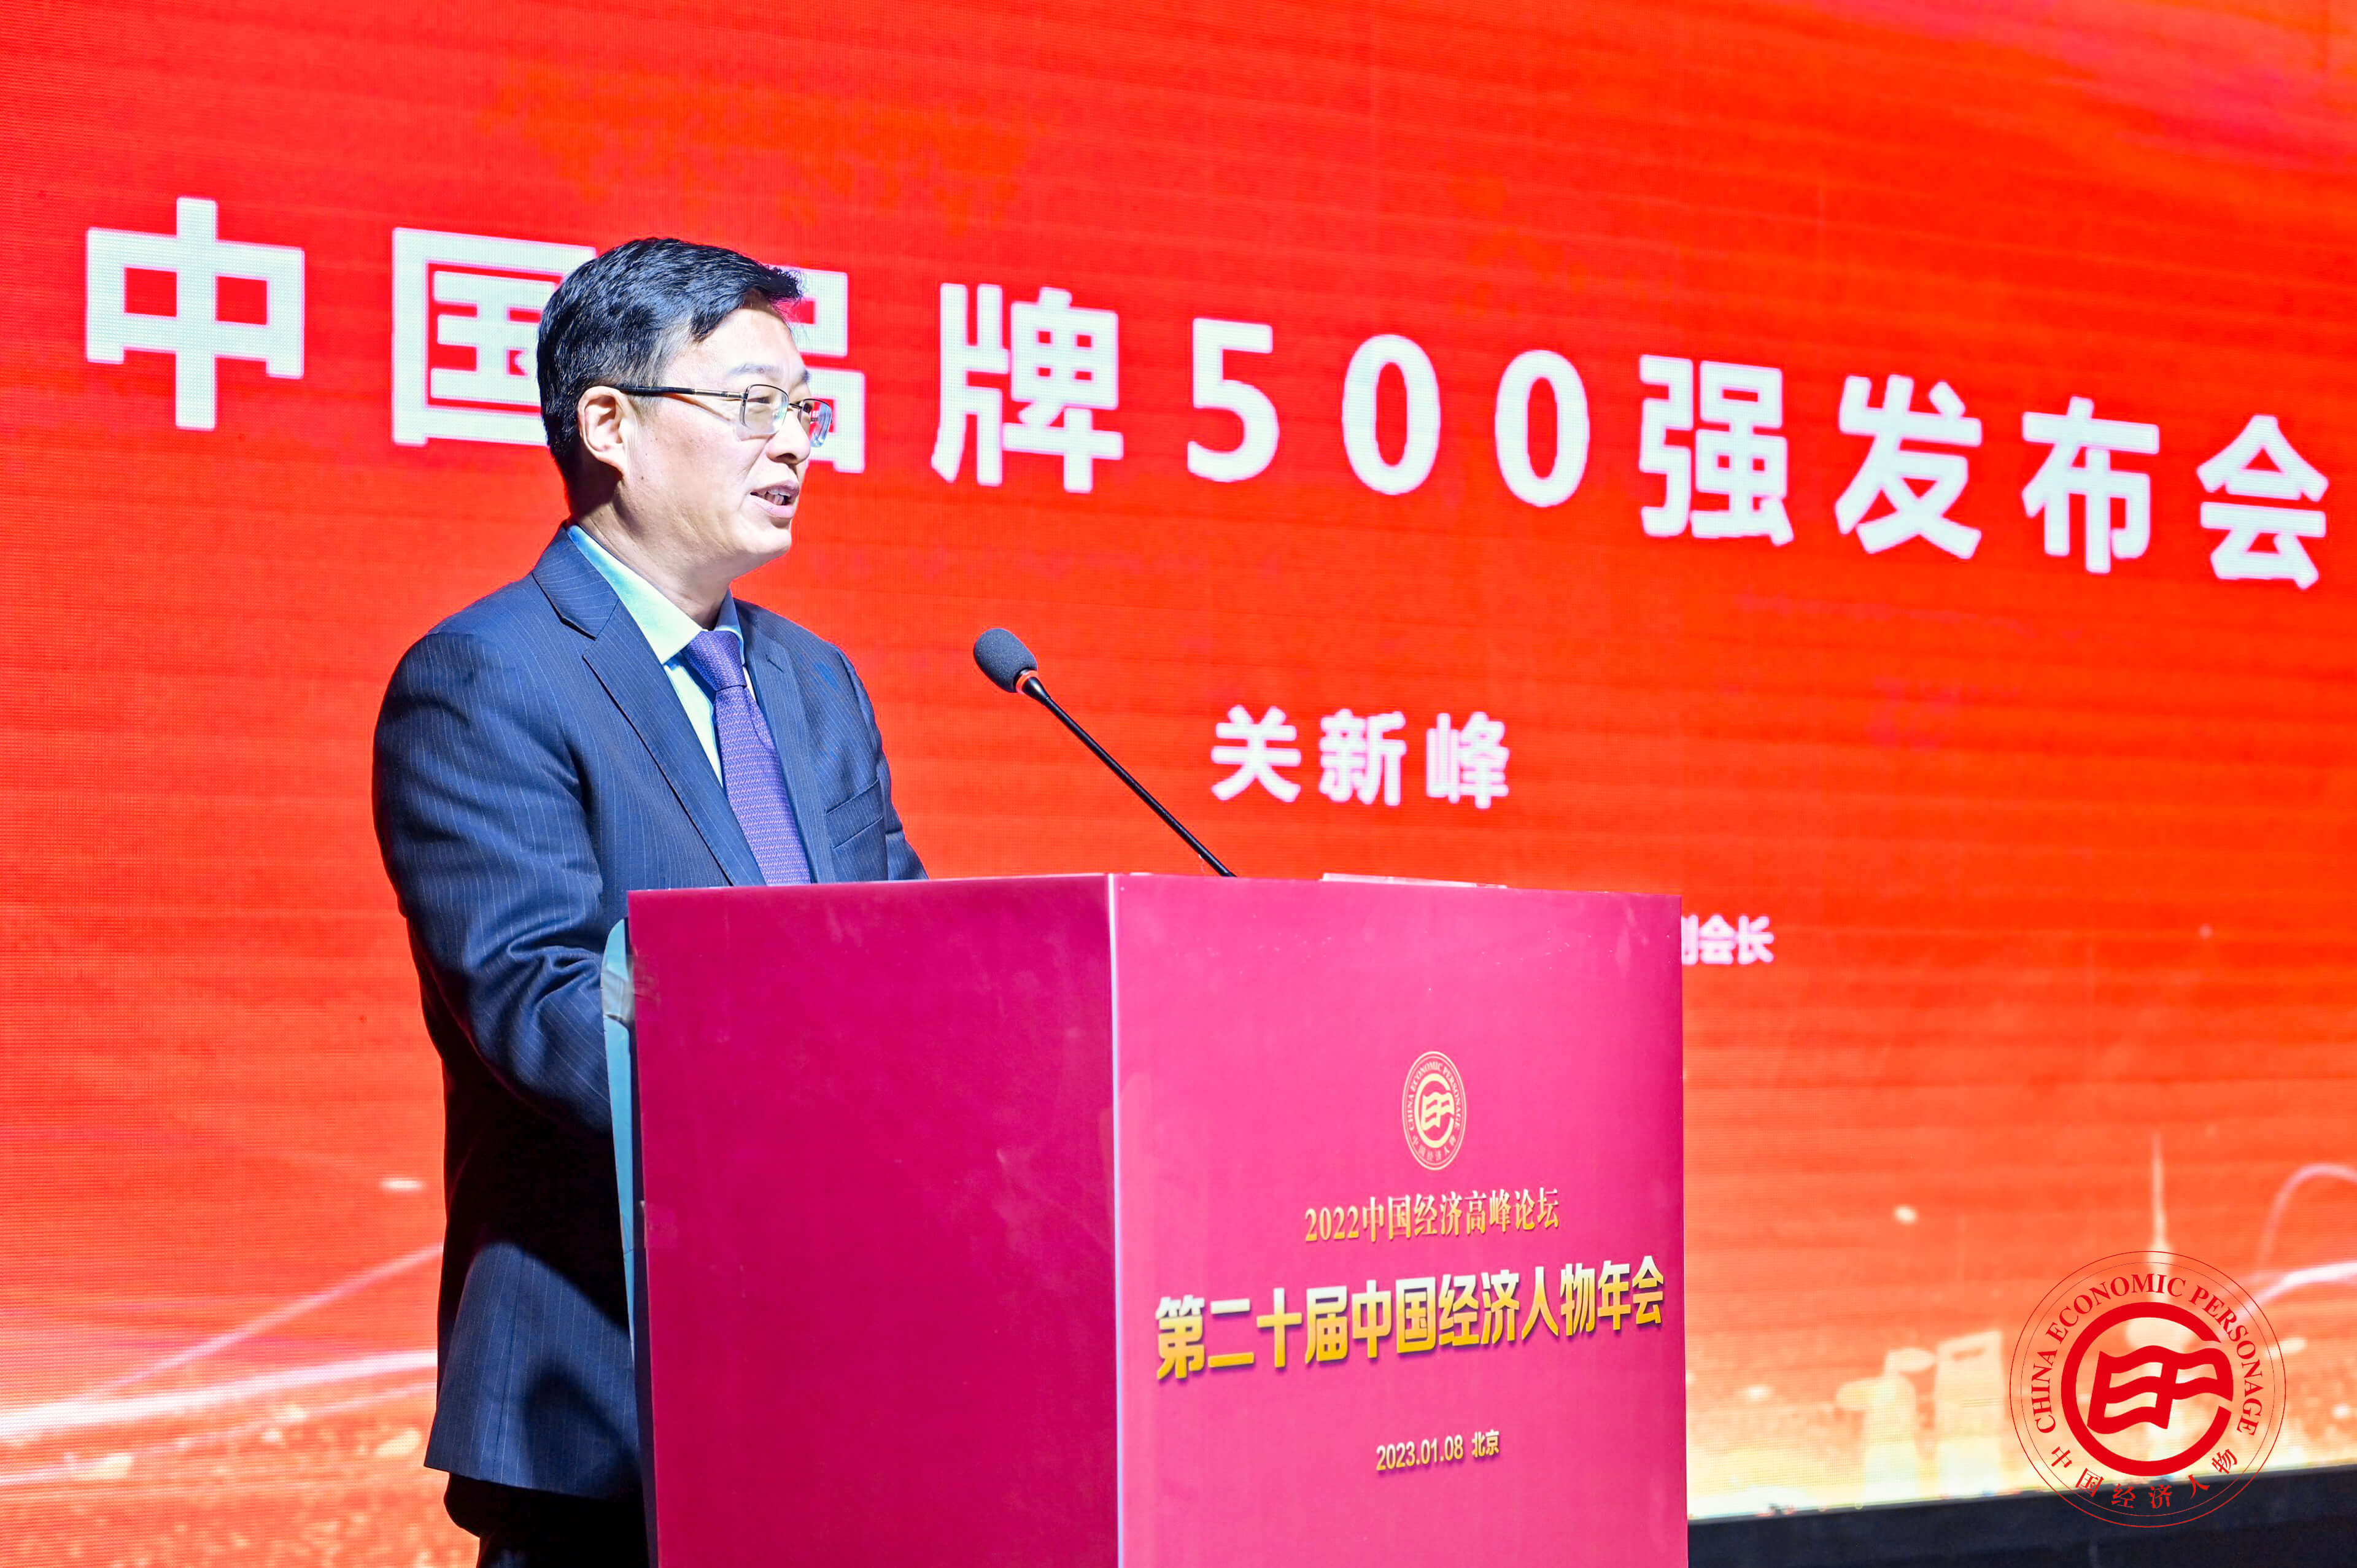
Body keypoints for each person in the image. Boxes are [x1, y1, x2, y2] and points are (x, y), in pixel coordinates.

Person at [373, 238, 924, 1566]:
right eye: (753, 403)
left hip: (837, 1370)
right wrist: (824, 1089)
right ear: (610, 424)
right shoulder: (486, 679)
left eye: (807, 408)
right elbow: (542, 1007)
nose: (794, 443)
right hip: (610, 1396)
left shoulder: (814, 682)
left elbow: (904, 950)